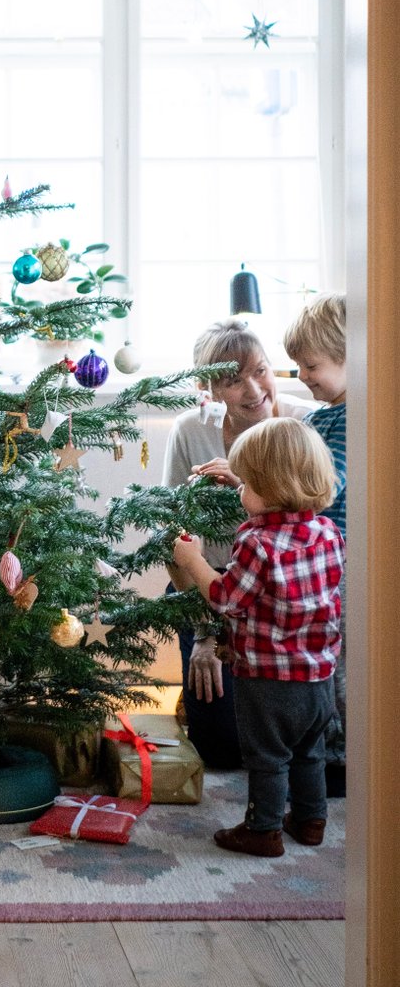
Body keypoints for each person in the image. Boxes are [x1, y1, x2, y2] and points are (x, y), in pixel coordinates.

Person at [172, 416, 343, 857]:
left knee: (267, 758)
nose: (240, 489)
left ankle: (262, 829)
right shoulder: (328, 533)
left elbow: (226, 597)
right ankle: (310, 821)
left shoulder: (256, 543)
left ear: (266, 487)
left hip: (268, 682)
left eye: (245, 483)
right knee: (309, 752)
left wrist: (193, 561)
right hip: (319, 677)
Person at [163, 318, 313, 769]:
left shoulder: (302, 422)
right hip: (210, 589)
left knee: (278, 743)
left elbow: (315, 528)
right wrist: (206, 636)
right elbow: (173, 538)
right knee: (223, 752)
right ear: (208, 389)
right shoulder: (191, 431)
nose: (254, 389)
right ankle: (201, 694)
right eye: (233, 380)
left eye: (261, 370)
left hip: (280, 598)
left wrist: (246, 486)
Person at [284, 293, 347, 797]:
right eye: (297, 366)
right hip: (318, 569)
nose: (302, 376)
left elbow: (329, 486)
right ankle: (325, 752)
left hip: (342, 570)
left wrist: (266, 484)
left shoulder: (354, 419)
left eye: (312, 365)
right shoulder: (317, 420)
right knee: (322, 667)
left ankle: (345, 760)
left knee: (342, 671)